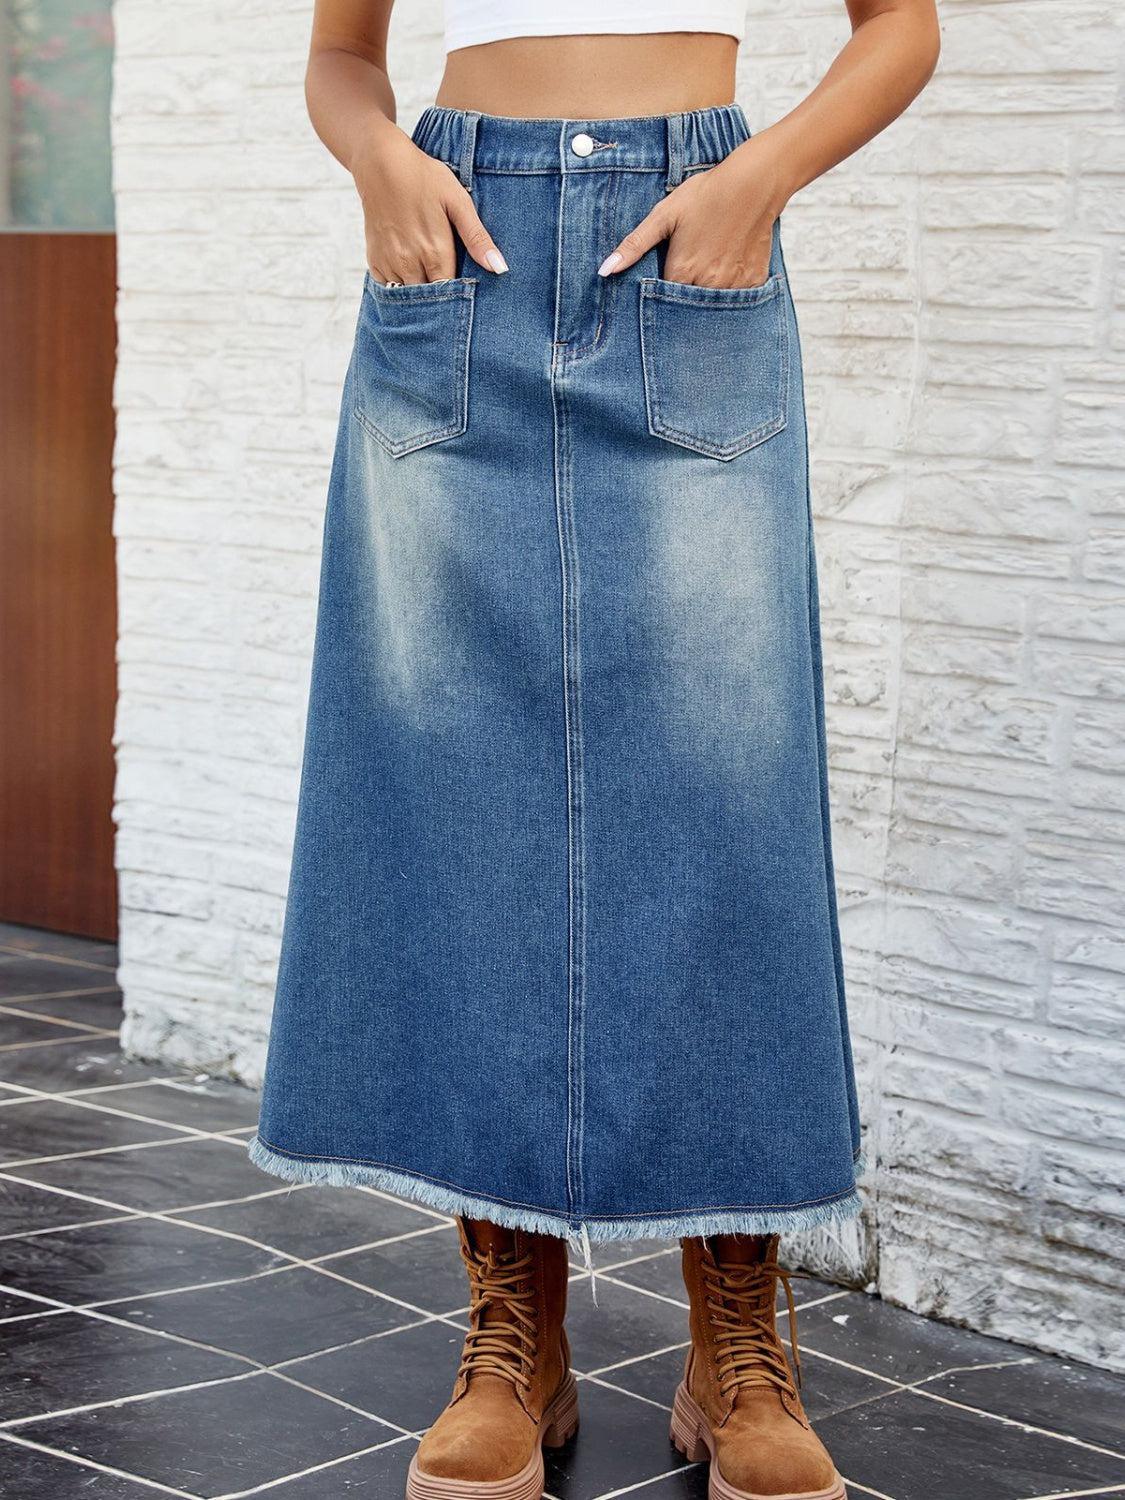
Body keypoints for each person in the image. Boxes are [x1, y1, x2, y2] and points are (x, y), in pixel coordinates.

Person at [248, 1, 940, 1496]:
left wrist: (762, 177)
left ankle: (734, 1341)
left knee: (720, 801)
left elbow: (901, 28)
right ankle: (513, 1341)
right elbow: (341, 53)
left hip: (692, 237)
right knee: (454, 798)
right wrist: (374, 156)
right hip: (457, 258)